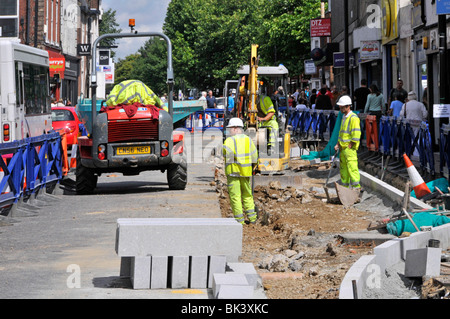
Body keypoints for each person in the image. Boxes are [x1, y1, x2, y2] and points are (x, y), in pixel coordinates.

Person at [223, 117, 258, 225]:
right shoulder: (248, 140)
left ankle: (240, 221)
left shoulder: (229, 141)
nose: (229, 131)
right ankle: (252, 219)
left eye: (230, 129)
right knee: (247, 195)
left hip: (233, 172)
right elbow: (254, 156)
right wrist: (253, 167)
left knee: (235, 197)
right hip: (246, 172)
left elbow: (225, 154)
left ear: (235, 128)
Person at [334, 95, 361, 190]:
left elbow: (356, 134)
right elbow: (341, 133)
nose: (340, 108)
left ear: (348, 106)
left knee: (352, 168)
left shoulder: (353, 118)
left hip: (349, 149)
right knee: (344, 170)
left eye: (342, 107)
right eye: (340, 107)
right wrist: (338, 144)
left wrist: (351, 145)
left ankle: (356, 189)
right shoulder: (344, 117)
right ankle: (344, 189)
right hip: (343, 148)